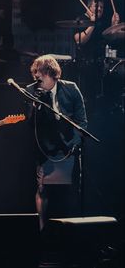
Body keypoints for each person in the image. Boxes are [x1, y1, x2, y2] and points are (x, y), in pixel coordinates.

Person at [25, 55, 87, 230]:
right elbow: (30, 123)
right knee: (43, 189)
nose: (37, 80)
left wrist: (75, 143)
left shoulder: (71, 88)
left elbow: (82, 121)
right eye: (35, 77)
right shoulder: (31, 90)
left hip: (68, 146)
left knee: (70, 190)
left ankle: (71, 228)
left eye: (41, 77)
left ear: (51, 74)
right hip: (46, 148)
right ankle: (42, 230)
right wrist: (36, 103)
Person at [73, 0, 120, 110]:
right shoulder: (80, 19)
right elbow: (80, 41)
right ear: (89, 7)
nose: (99, 9)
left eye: (102, 7)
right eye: (97, 6)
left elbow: (110, 38)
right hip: (84, 65)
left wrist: (114, 25)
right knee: (89, 98)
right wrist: (91, 25)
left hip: (99, 64)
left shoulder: (100, 22)